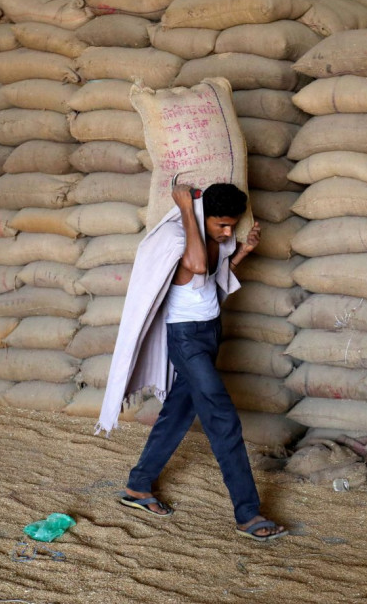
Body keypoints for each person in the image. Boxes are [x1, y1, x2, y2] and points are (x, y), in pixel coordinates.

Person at [117, 182, 288, 543]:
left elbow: (211, 280)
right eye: (221, 225)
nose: (228, 233)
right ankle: (248, 513)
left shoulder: (211, 239)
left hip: (209, 332)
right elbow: (195, 266)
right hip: (186, 339)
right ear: (201, 216)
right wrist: (186, 209)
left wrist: (241, 253)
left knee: (178, 411)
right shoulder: (179, 237)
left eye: (232, 226)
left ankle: (138, 486)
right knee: (222, 418)